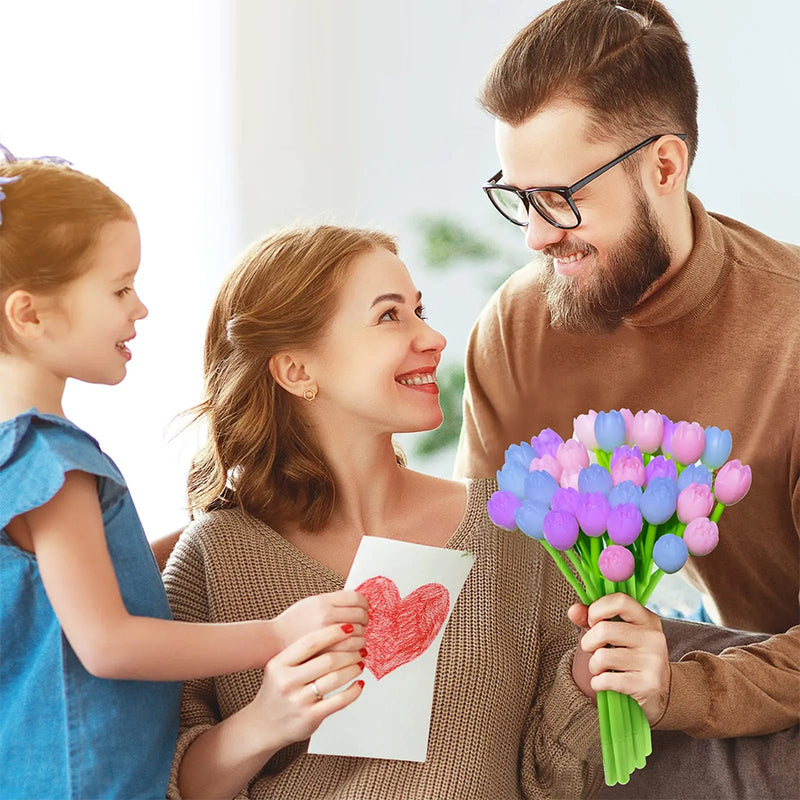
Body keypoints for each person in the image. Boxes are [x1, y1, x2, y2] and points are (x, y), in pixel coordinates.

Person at [161, 223, 677, 800]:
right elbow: (166, 784)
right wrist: (265, 721)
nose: (433, 337)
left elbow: (550, 779)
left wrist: (593, 682)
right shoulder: (215, 556)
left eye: (419, 309)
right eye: (389, 316)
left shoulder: (518, 526)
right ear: (297, 371)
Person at [453, 0, 799, 794]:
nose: (537, 237)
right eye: (518, 197)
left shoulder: (791, 336)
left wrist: (680, 689)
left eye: (560, 198)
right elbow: (483, 572)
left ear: (665, 167)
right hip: (603, 679)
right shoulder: (517, 326)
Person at [0, 152, 368, 800]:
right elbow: (107, 643)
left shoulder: (16, 457)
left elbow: (59, 594)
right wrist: (277, 634)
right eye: (118, 289)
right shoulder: (51, 459)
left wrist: (210, 530)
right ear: (29, 315)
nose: (139, 308)